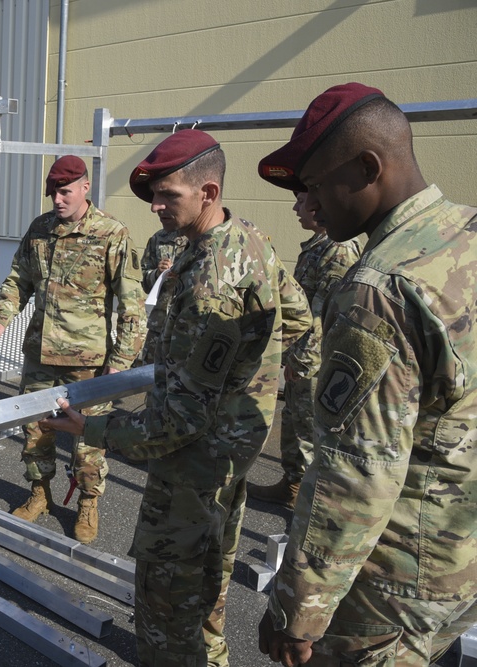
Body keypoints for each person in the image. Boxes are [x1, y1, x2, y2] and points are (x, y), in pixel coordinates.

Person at [42, 129, 311, 665]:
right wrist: (245, 380)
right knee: (210, 590)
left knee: (166, 611)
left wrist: (90, 427)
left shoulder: (211, 277)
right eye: (154, 196)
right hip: (231, 451)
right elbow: (298, 316)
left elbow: (178, 421)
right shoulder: (250, 239)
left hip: (194, 465)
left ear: (208, 192)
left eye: (169, 196)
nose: (157, 207)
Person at [256, 83, 477, 666]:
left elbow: (356, 473)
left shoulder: (379, 288)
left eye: (316, 185)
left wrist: (297, 610)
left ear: (367, 167)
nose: (309, 203)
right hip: (463, 548)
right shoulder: (464, 232)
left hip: (400, 574)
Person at [0, 155, 144, 544]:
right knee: (35, 430)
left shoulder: (111, 234)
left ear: (85, 188)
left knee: (88, 439)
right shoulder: (40, 229)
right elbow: (19, 279)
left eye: (65, 191)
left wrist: (120, 363)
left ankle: (88, 502)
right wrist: (1, 316)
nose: (57, 199)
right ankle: (39, 492)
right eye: (52, 192)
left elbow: (132, 304)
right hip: (40, 354)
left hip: (88, 361)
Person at [248, 191, 360, 508]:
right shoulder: (319, 246)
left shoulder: (337, 251)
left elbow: (325, 315)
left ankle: (313, 504)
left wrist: (302, 360)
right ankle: (293, 485)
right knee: (296, 425)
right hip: (304, 355)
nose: (296, 208)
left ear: (321, 203)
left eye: (301, 201)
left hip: (318, 361)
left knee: (313, 431)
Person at [139, 227, 187, 365]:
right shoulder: (159, 238)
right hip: (159, 325)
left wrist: (180, 274)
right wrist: (157, 274)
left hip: (187, 325)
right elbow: (142, 278)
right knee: (148, 376)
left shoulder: (203, 239)